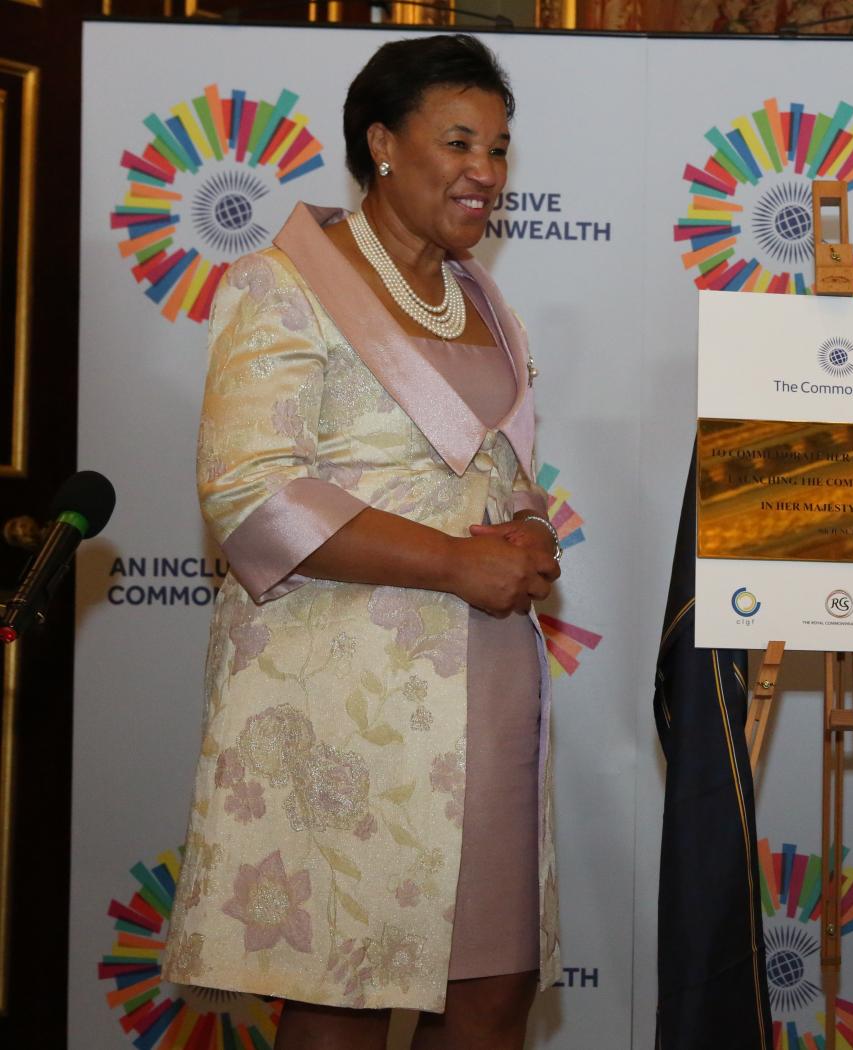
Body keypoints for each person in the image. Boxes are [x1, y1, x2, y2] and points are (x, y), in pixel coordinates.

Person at [161, 35, 560, 1049]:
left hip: (491, 693)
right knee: (340, 989)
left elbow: (499, 470)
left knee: (491, 992)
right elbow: (251, 495)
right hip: (346, 707)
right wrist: (459, 563)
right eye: (460, 141)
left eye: (502, 148)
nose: (487, 170)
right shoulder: (282, 281)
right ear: (381, 142)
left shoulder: (482, 296)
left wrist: (527, 531)